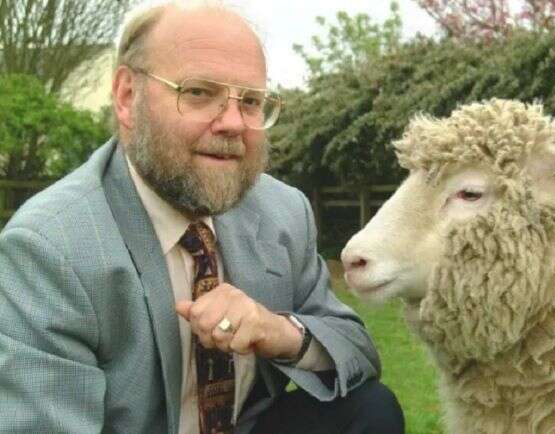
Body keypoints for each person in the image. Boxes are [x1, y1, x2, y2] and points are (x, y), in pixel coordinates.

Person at [0, 1, 404, 433]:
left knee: (370, 408)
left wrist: (278, 331)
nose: (233, 122)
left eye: (251, 101)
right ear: (127, 97)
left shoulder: (282, 211)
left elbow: (358, 354)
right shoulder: (49, 248)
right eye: (198, 92)